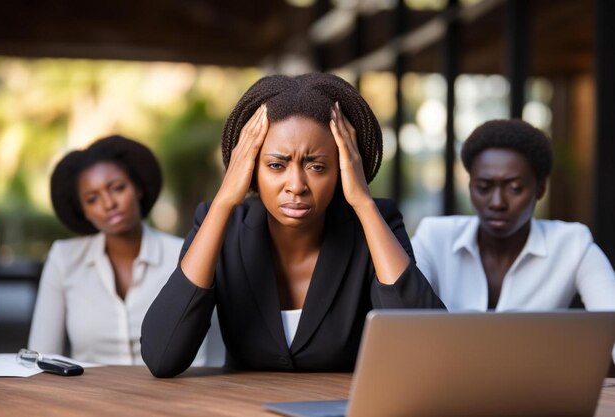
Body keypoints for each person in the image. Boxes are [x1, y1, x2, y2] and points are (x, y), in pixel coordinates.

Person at [141, 73, 445, 377]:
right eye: (276, 165)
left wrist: (363, 203)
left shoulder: (376, 223)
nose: (296, 185)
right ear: (249, 168)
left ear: (342, 169)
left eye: (317, 166)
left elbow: (429, 348)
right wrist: (223, 203)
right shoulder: (222, 225)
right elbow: (162, 356)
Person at [28, 135, 215, 365]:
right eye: (92, 199)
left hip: (172, 398)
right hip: (87, 398)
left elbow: (197, 357)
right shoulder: (64, 259)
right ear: (83, 211)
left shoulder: (186, 256)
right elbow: (41, 357)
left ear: (138, 188)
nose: (108, 204)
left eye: (117, 188)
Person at [411, 119, 615, 313]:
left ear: (540, 189)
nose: (497, 202)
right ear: (470, 186)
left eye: (515, 188)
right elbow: (403, 311)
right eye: (483, 187)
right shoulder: (434, 237)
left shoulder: (572, 244)